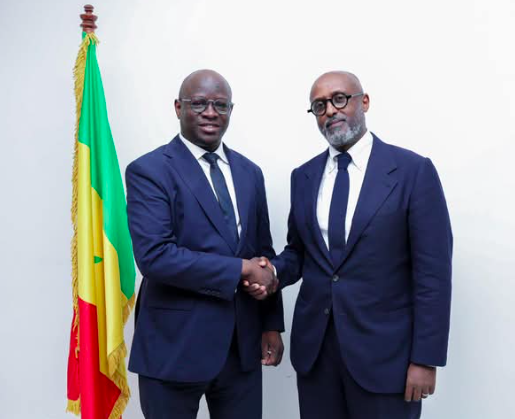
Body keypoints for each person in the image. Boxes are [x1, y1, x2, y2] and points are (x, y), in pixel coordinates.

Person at [249, 71, 452, 419]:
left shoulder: (412, 171)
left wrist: (426, 358)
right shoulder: (304, 176)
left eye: (340, 99)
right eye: (319, 106)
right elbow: (300, 253)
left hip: (386, 357)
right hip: (317, 354)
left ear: (364, 102)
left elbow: (433, 274)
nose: (330, 110)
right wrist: (271, 273)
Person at [126, 69, 284, 419]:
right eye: (199, 103)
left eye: (220, 105)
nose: (211, 112)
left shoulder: (250, 172)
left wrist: (270, 323)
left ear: (231, 110)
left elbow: (263, 253)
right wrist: (240, 268)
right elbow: (155, 257)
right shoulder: (149, 170)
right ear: (178, 107)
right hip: (174, 347)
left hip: (241, 347)